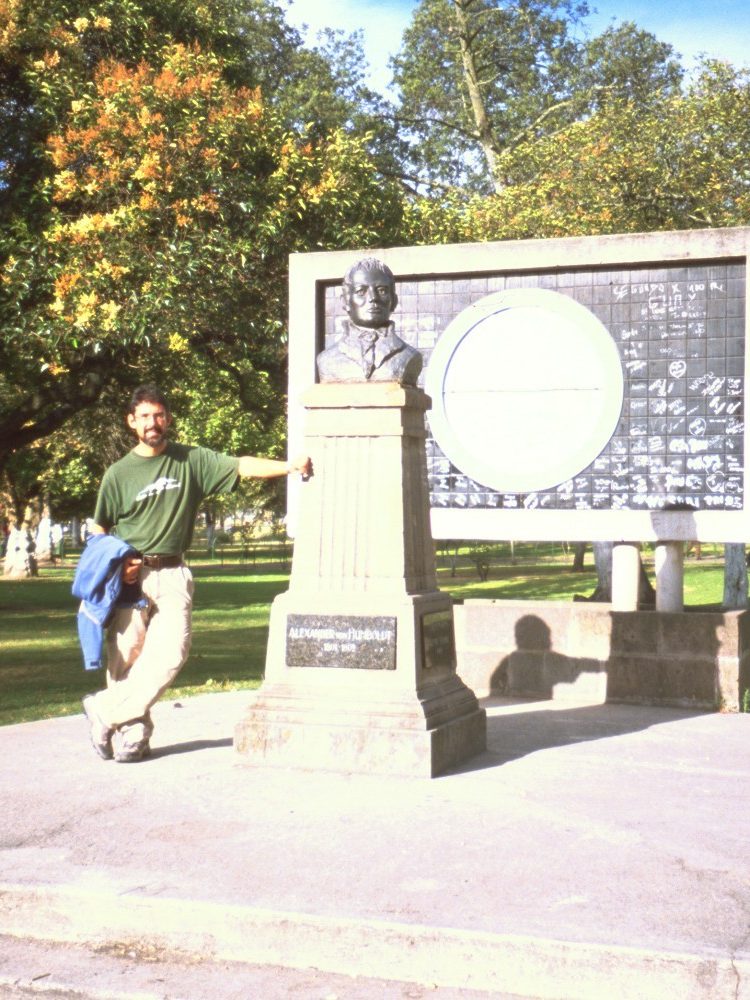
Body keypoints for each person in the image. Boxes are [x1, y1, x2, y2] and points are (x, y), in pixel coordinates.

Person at [81, 384, 311, 763]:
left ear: (168, 419)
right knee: (126, 656)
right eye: (144, 417)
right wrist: (118, 564)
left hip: (173, 572)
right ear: (131, 422)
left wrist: (288, 466)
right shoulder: (118, 474)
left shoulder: (191, 461)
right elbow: (99, 530)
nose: (152, 423)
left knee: (172, 651)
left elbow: (242, 465)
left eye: (158, 415)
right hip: (128, 576)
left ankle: (104, 710)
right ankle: (131, 734)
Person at [316, 257, 422, 385]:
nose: (373, 298)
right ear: (345, 301)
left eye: (382, 290)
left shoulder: (409, 356)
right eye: (361, 291)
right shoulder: (327, 359)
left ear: (394, 301)